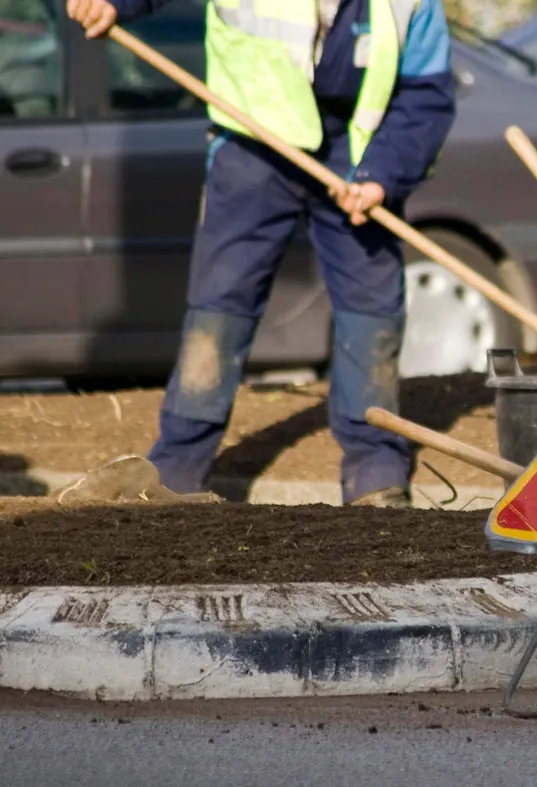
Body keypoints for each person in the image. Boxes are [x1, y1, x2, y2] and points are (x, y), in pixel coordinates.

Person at [65, 0, 457, 508]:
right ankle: (178, 466)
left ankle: (375, 469)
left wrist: (382, 176)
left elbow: (425, 93)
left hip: (357, 152)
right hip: (252, 139)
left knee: (372, 309)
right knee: (220, 304)